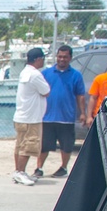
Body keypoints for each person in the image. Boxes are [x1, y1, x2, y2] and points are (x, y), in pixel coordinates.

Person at [34, 44, 86, 179]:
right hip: (47, 117)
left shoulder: (76, 75)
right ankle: (39, 168)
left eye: (65, 57)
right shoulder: (46, 73)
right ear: (56, 57)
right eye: (60, 56)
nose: (62, 59)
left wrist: (83, 113)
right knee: (44, 145)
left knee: (67, 145)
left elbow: (80, 95)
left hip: (66, 117)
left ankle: (63, 167)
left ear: (70, 58)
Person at [11, 47, 50, 186]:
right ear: (38, 59)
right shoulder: (35, 74)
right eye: (42, 59)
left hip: (21, 116)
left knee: (20, 145)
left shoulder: (24, 72)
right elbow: (46, 91)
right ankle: (20, 172)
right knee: (28, 145)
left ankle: (18, 171)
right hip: (31, 118)